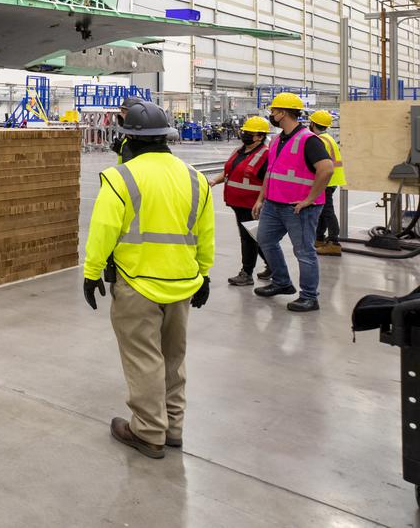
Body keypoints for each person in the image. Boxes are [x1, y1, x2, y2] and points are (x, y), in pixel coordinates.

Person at [82, 100, 213, 460]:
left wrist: (92, 273)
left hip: (137, 284)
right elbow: (205, 232)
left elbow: (104, 230)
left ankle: (148, 432)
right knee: (174, 357)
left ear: (127, 140)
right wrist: (204, 274)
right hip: (183, 283)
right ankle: (172, 428)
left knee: (143, 358)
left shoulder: (121, 177)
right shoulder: (195, 177)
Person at [252, 93, 334, 313]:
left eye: (273, 111)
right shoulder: (278, 139)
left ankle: (309, 296)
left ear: (283, 113)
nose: (271, 114)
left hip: (299, 208)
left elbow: (326, 169)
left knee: (304, 252)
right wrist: (261, 198)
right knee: (265, 240)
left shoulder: (309, 140)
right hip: (274, 204)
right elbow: (271, 172)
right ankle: (282, 282)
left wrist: (309, 199)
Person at [209, 116, 272, 286]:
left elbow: (268, 181)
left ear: (260, 136)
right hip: (237, 203)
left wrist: (260, 201)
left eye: (249, 133)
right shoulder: (239, 150)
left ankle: (247, 273)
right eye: (244, 131)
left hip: (252, 205)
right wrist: (215, 180)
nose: (244, 135)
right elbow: (230, 172)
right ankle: (273, 265)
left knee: (249, 239)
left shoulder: (265, 155)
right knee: (254, 237)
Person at [308, 109, 344, 257]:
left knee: (327, 211)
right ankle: (319, 238)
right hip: (332, 179)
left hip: (327, 181)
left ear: (313, 123)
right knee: (323, 211)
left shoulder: (320, 140)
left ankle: (334, 242)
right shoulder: (328, 138)